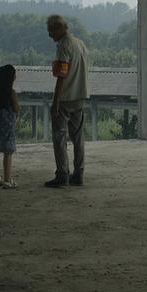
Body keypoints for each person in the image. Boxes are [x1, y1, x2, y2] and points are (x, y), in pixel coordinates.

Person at [44, 15, 90, 188]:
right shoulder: (80, 44)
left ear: (59, 28)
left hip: (65, 98)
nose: (50, 35)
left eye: (51, 31)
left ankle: (62, 174)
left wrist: (55, 101)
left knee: (59, 138)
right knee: (78, 138)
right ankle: (78, 174)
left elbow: (62, 76)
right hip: (80, 97)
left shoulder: (64, 46)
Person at [0, 64, 20, 189]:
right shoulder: (11, 93)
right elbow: (16, 109)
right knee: (8, 153)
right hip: (7, 129)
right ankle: (7, 180)